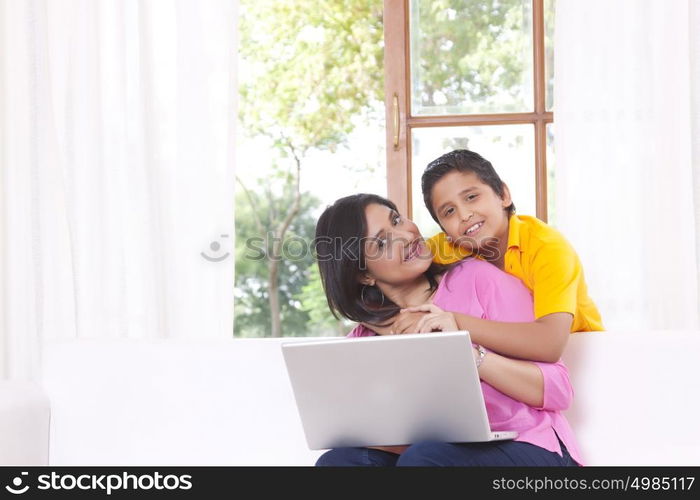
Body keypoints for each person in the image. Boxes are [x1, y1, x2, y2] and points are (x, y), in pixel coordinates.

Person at [313, 193, 583, 467]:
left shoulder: (478, 279)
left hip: (529, 446)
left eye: (397, 219)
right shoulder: (364, 339)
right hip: (433, 454)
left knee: (424, 457)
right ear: (363, 274)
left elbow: (558, 390)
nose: (406, 235)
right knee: (337, 462)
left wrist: (466, 352)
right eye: (382, 242)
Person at [384, 149, 603, 363]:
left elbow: (550, 345)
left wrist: (453, 321)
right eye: (449, 211)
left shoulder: (548, 248)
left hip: (579, 353)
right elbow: (382, 277)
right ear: (443, 228)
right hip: (500, 358)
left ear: (503, 195)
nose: (465, 215)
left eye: (471, 197)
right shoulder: (447, 247)